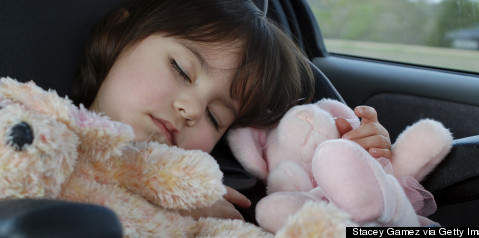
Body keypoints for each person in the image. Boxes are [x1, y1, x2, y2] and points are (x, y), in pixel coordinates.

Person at [70, 0, 391, 221]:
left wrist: (353, 169)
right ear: (119, 31)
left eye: (215, 117)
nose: (192, 110)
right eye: (181, 69)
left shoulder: (222, 193)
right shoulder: (38, 131)